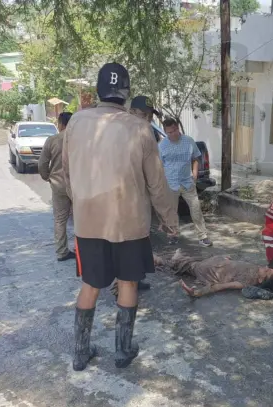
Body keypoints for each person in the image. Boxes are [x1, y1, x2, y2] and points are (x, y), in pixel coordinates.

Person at [63, 62, 179, 372]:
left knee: (90, 284)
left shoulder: (75, 123)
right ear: (126, 93)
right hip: (129, 224)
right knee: (128, 283)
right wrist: (170, 219)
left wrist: (80, 203)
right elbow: (156, 183)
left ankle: (80, 353)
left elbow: (67, 171)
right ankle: (123, 351)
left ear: (99, 90)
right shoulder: (140, 127)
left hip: (88, 222)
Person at [157, 249, 273, 299]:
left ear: (262, 279)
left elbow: (219, 287)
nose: (266, 267)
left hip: (206, 270)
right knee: (190, 261)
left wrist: (196, 293)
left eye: (267, 271)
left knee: (179, 265)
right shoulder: (259, 272)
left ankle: (162, 260)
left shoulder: (245, 282)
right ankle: (178, 257)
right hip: (219, 261)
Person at [159, 117, 212, 247]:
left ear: (177, 128)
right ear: (166, 132)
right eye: (169, 132)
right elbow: (159, 165)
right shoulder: (161, 145)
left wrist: (194, 174)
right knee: (171, 212)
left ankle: (203, 236)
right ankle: (173, 235)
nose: (172, 134)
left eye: (174, 130)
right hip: (170, 184)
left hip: (187, 183)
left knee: (196, 209)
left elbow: (195, 158)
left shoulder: (189, 141)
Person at [38, 112, 75, 261]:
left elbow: (42, 164)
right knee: (81, 218)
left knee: (60, 219)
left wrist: (48, 177)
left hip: (59, 184)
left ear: (60, 124)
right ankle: (85, 251)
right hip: (78, 185)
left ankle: (62, 251)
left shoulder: (52, 140)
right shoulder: (80, 140)